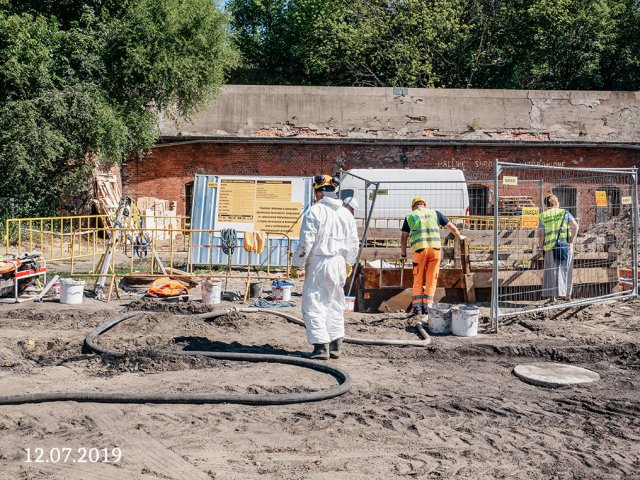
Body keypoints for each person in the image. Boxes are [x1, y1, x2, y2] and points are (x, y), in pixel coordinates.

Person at [292, 175, 359, 360]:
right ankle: (336, 345)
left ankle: (321, 348)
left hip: (320, 263)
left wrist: (296, 264)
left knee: (314, 303)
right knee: (336, 303)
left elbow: (306, 243)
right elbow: (354, 243)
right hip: (339, 263)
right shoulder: (346, 213)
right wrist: (348, 263)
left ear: (319, 192)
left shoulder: (315, 211)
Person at [400, 197, 463, 315]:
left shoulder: (410, 216)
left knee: (418, 278)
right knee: (431, 278)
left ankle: (418, 308)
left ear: (414, 206)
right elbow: (453, 228)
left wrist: (403, 254)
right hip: (435, 250)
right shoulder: (435, 213)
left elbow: (403, 237)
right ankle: (428, 306)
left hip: (420, 250)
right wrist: (460, 237)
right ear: (425, 205)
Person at [537, 194, 579, 303]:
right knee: (567, 270)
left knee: (552, 272)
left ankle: (552, 298)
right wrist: (571, 241)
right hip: (565, 246)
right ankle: (567, 296)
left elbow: (541, 234)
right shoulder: (565, 213)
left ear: (546, 205)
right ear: (557, 203)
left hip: (550, 247)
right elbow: (575, 226)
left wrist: (540, 248)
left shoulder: (543, 216)